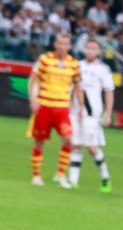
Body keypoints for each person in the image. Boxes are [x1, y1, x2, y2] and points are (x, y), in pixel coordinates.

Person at [27, 32, 84, 188]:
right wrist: (33, 99)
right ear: (55, 44)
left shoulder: (73, 63)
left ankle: (60, 174)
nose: (62, 46)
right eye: (60, 43)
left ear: (69, 46)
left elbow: (78, 85)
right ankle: (36, 175)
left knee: (68, 139)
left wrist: (81, 106)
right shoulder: (44, 59)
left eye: (66, 43)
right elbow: (33, 79)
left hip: (62, 108)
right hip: (44, 106)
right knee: (39, 141)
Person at [68, 38, 114, 192]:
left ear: (98, 51)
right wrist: (69, 103)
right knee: (75, 144)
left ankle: (105, 177)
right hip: (75, 112)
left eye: (94, 48)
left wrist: (108, 113)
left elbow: (109, 91)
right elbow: (71, 87)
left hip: (92, 113)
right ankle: (73, 180)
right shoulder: (77, 65)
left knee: (91, 148)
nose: (90, 51)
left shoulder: (103, 69)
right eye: (88, 48)